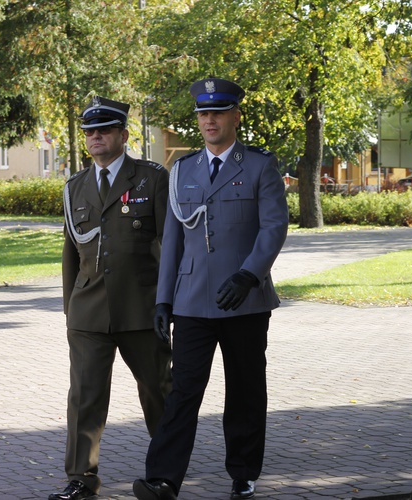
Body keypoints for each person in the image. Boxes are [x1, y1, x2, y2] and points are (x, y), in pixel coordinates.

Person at [133, 78, 289, 500]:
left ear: (236, 116)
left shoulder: (258, 166)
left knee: (245, 390)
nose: (210, 120)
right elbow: (173, 242)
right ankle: (163, 479)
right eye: (203, 114)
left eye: (218, 112)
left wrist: (249, 274)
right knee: (182, 391)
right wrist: (164, 299)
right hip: (191, 303)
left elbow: (275, 227)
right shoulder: (182, 170)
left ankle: (243, 472)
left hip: (245, 302)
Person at [49, 96, 173, 500]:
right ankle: (81, 479)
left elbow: (171, 244)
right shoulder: (74, 188)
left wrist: (168, 301)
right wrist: (71, 309)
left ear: (123, 134)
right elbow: (71, 253)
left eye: (104, 130)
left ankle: (164, 473)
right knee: (85, 398)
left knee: (157, 390)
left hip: (142, 305)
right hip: (89, 311)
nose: (95, 137)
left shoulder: (151, 178)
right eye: (89, 131)